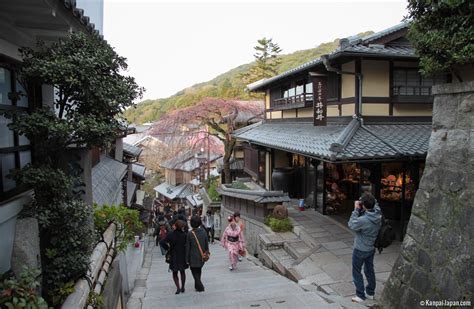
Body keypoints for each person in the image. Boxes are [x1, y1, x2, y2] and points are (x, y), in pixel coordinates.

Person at [347, 192, 382, 303]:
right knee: (369, 270)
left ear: (364, 205)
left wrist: (356, 209)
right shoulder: (377, 213)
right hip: (371, 248)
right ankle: (370, 293)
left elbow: (351, 224)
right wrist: (366, 200)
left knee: (356, 271)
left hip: (360, 249)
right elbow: (374, 202)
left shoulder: (364, 220)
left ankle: (360, 295)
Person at [160, 219, 188, 294]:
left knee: (174, 272)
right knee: (182, 271)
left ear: (175, 226)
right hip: (182, 254)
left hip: (173, 255)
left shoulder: (170, 234)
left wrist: (167, 248)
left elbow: (162, 242)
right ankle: (183, 287)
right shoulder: (185, 235)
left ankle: (178, 288)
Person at [186, 216, 209, 292]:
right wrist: (207, 251)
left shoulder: (190, 234)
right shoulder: (203, 231)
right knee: (199, 269)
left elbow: (188, 247)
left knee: (194, 271)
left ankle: (200, 285)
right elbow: (206, 243)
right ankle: (197, 285)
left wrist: (186, 259)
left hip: (192, 256)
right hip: (201, 255)